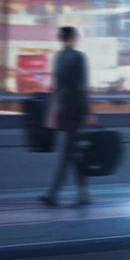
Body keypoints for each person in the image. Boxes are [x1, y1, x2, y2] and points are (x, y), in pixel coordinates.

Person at [40, 26, 95, 207]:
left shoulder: (59, 58)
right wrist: (88, 112)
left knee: (71, 153)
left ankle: (60, 194)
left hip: (63, 112)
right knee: (71, 153)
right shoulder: (78, 57)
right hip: (76, 112)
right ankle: (73, 194)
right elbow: (81, 87)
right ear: (73, 38)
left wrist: (53, 113)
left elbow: (56, 88)